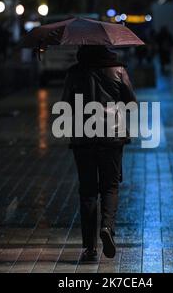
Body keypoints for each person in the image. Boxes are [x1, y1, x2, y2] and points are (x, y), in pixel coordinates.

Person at [61, 46, 137, 263]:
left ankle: (89, 247)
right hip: (112, 137)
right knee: (110, 186)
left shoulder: (74, 72)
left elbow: (64, 104)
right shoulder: (118, 70)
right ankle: (107, 226)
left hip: (83, 138)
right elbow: (131, 103)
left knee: (87, 192)